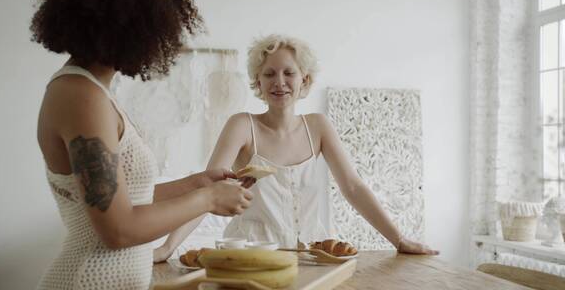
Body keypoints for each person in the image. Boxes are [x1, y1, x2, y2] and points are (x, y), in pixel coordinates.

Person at [32, 0, 253, 289]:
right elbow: (118, 230)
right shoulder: (81, 96)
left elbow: (126, 197)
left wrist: (197, 183)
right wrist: (209, 199)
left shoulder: (92, 91)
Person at [157, 34, 438, 258]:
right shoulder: (242, 125)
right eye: (269, 74)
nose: (279, 82)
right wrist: (168, 248)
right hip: (249, 257)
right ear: (258, 80)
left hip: (311, 257)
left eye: (288, 73)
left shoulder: (318, 127)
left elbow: (353, 187)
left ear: (304, 79)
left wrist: (399, 240)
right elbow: (208, 193)